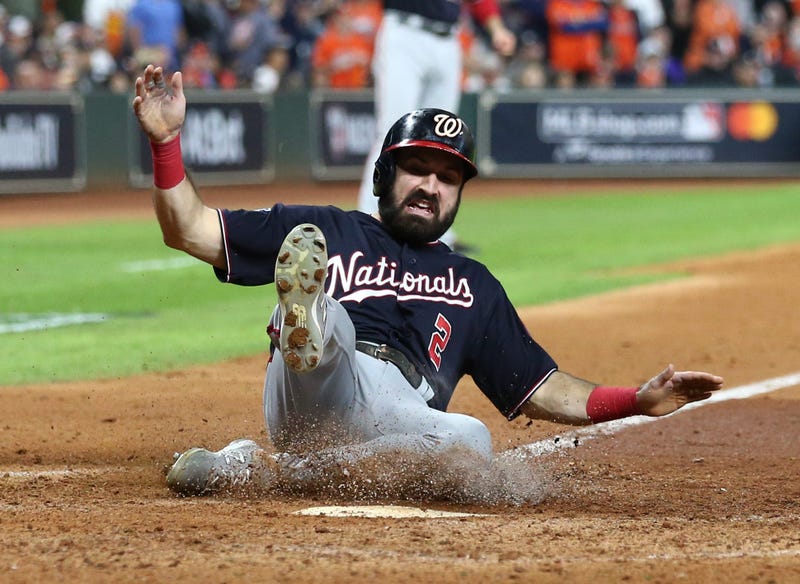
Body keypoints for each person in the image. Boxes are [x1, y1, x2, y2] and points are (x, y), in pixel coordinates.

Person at [132, 64, 725, 499]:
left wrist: (636, 401)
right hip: (310, 382)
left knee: (471, 438)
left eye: (448, 177)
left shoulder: (473, 282)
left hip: (397, 410)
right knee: (327, 320)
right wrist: (165, 143)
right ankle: (305, 320)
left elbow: (543, 390)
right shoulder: (325, 229)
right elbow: (187, 229)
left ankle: (248, 470)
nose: (431, 186)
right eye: (417, 168)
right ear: (385, 174)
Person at [356, 0, 517, 251]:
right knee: (392, 132)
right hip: (404, 32)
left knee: (442, 139)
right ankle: (367, 227)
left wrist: (496, 28)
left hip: (448, 40)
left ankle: (437, 232)